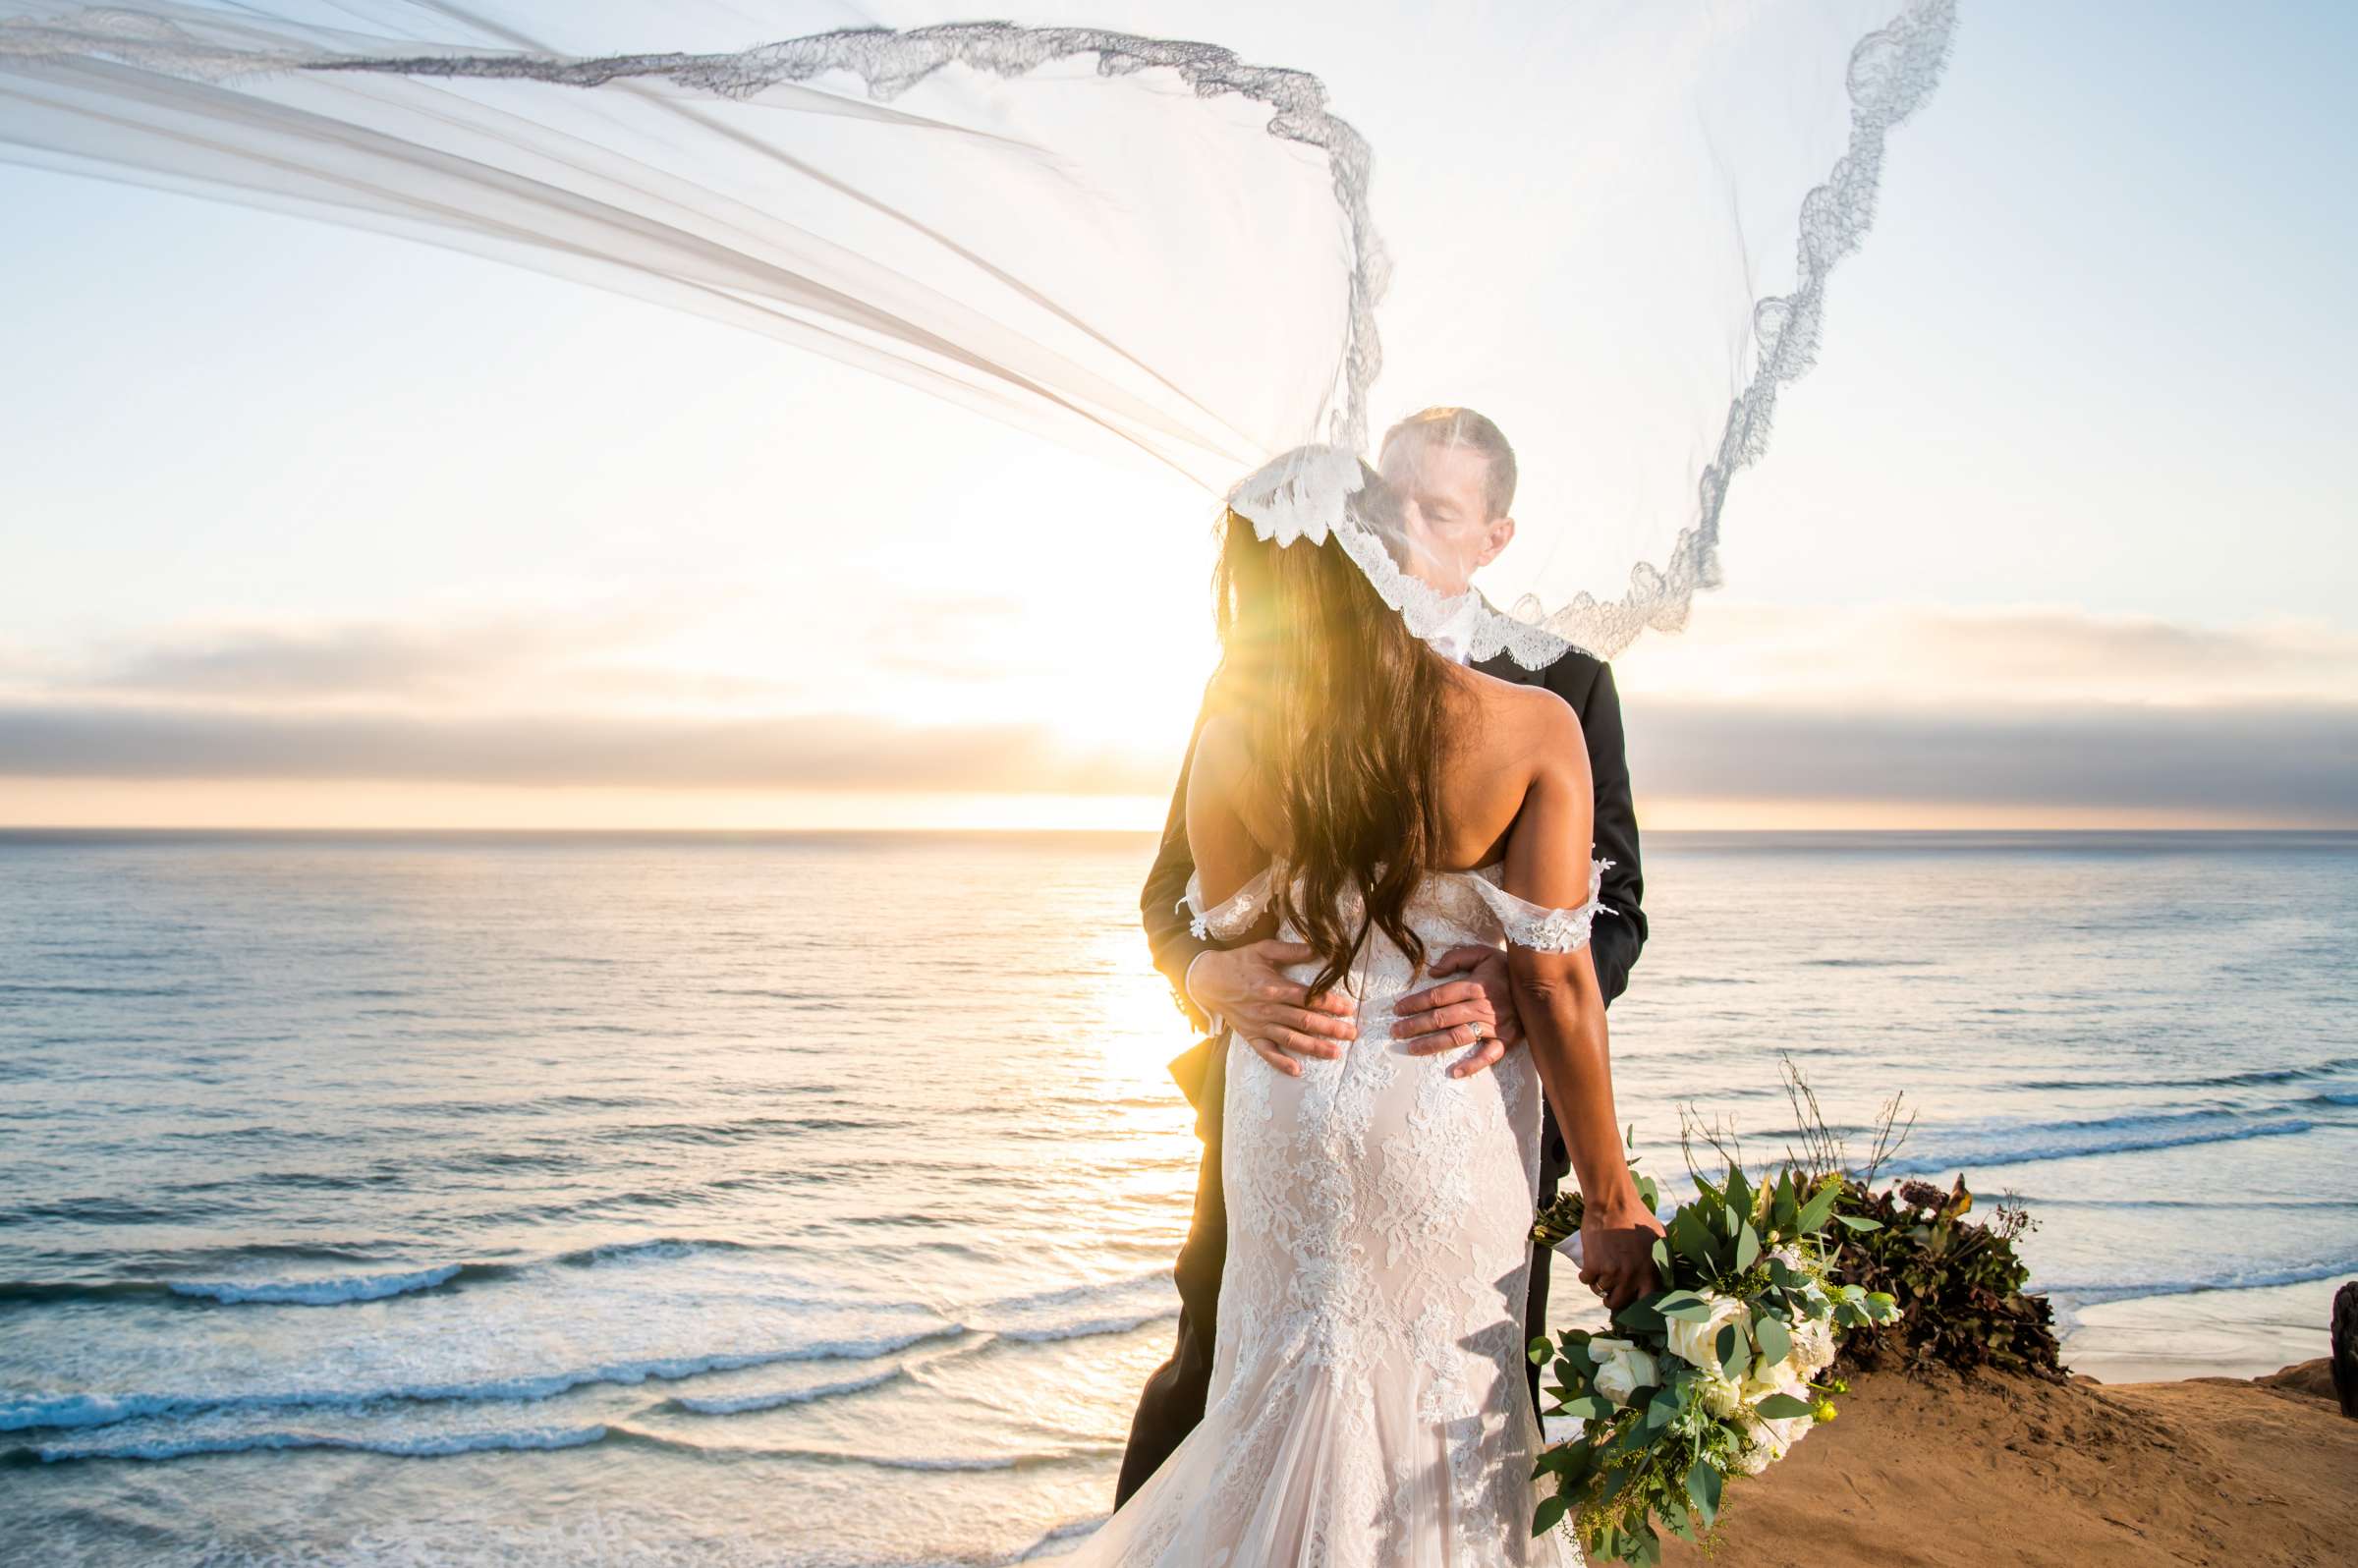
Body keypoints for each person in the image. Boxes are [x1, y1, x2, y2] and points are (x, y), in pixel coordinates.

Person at [1070, 446, 1662, 1564]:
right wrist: (1610, 1195)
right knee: (1441, 1415)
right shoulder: (1528, 722)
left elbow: (1242, 927)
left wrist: (1224, 970)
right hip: (1439, 1103)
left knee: (1267, 1400)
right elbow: (1558, 974)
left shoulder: (1244, 726)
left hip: (1292, 1095)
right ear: (1384, 551)